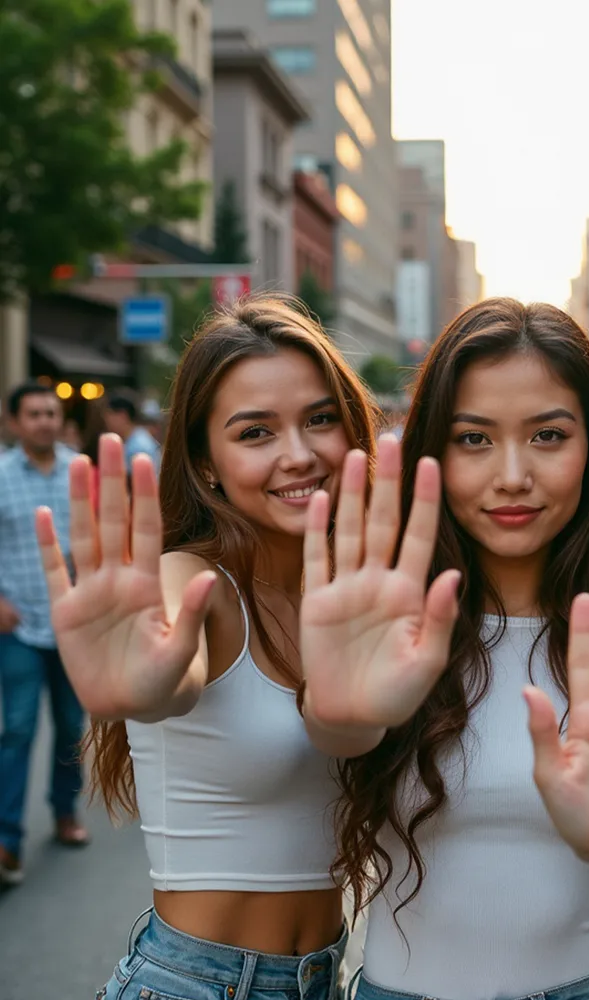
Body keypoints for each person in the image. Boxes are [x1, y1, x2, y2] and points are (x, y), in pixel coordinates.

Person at [298, 298, 589, 1000]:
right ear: (434, 449)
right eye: (474, 440)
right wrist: (340, 714)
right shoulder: (378, 617)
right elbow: (342, 728)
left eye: (548, 436)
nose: (512, 475)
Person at [35, 296, 376, 1000]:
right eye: (256, 432)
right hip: (198, 983)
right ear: (206, 463)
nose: (300, 454)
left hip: (325, 979)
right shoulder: (192, 584)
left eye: (320, 418)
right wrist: (142, 683)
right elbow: (170, 668)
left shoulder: (361, 592)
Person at [0, 382, 88, 887]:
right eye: (33, 414)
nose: (44, 422)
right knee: (17, 730)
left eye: (51, 413)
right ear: (15, 422)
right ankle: (7, 839)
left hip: (71, 624)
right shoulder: (2, 475)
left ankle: (64, 812)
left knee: (71, 727)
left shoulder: (80, 471)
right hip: (18, 627)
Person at [104, 389, 162, 471]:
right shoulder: (134, 439)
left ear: (122, 415)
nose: (107, 420)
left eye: (110, 414)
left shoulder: (139, 446)